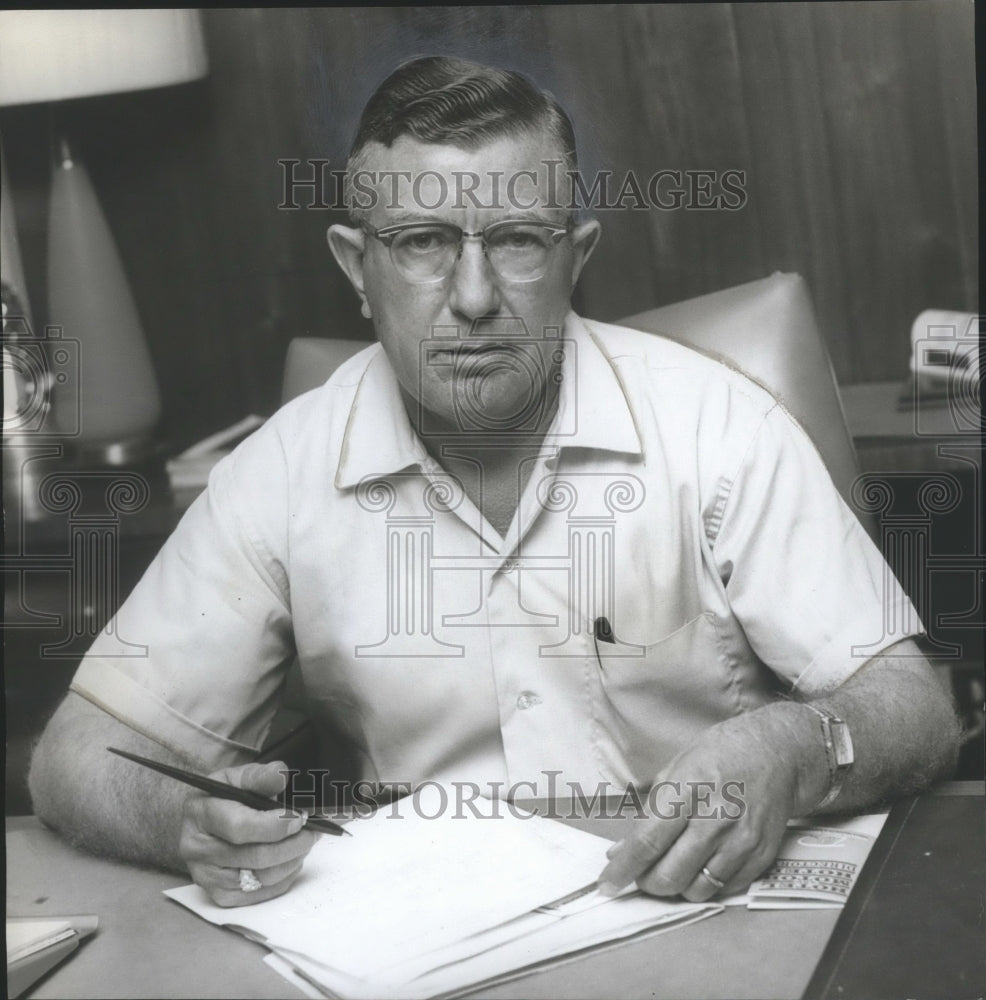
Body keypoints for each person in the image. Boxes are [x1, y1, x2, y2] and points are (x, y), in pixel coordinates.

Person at [30, 56, 959, 909]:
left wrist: (795, 746)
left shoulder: (721, 425)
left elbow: (913, 706)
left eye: (515, 240)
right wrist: (179, 821)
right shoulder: (280, 471)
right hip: (415, 939)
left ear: (576, 258)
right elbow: (77, 757)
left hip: (696, 911)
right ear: (357, 267)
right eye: (424, 243)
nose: (473, 298)